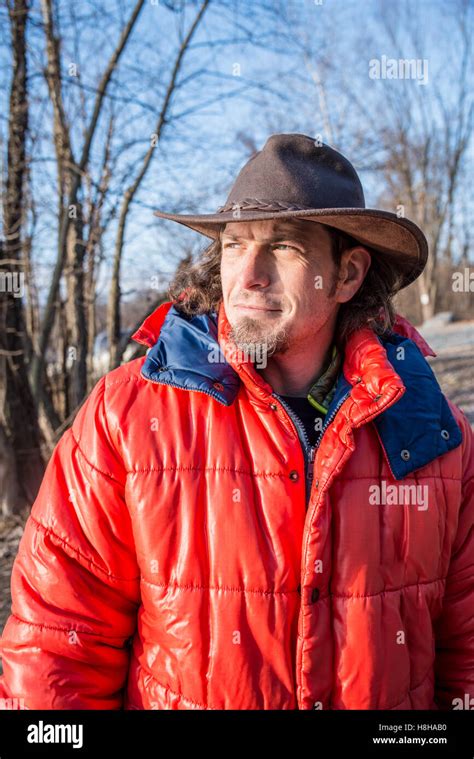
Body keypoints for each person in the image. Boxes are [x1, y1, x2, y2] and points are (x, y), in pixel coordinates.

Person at [0, 133, 472, 710]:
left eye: (284, 247)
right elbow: (56, 647)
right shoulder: (128, 415)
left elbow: (467, 650)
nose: (248, 274)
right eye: (235, 244)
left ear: (347, 275)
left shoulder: (432, 434)